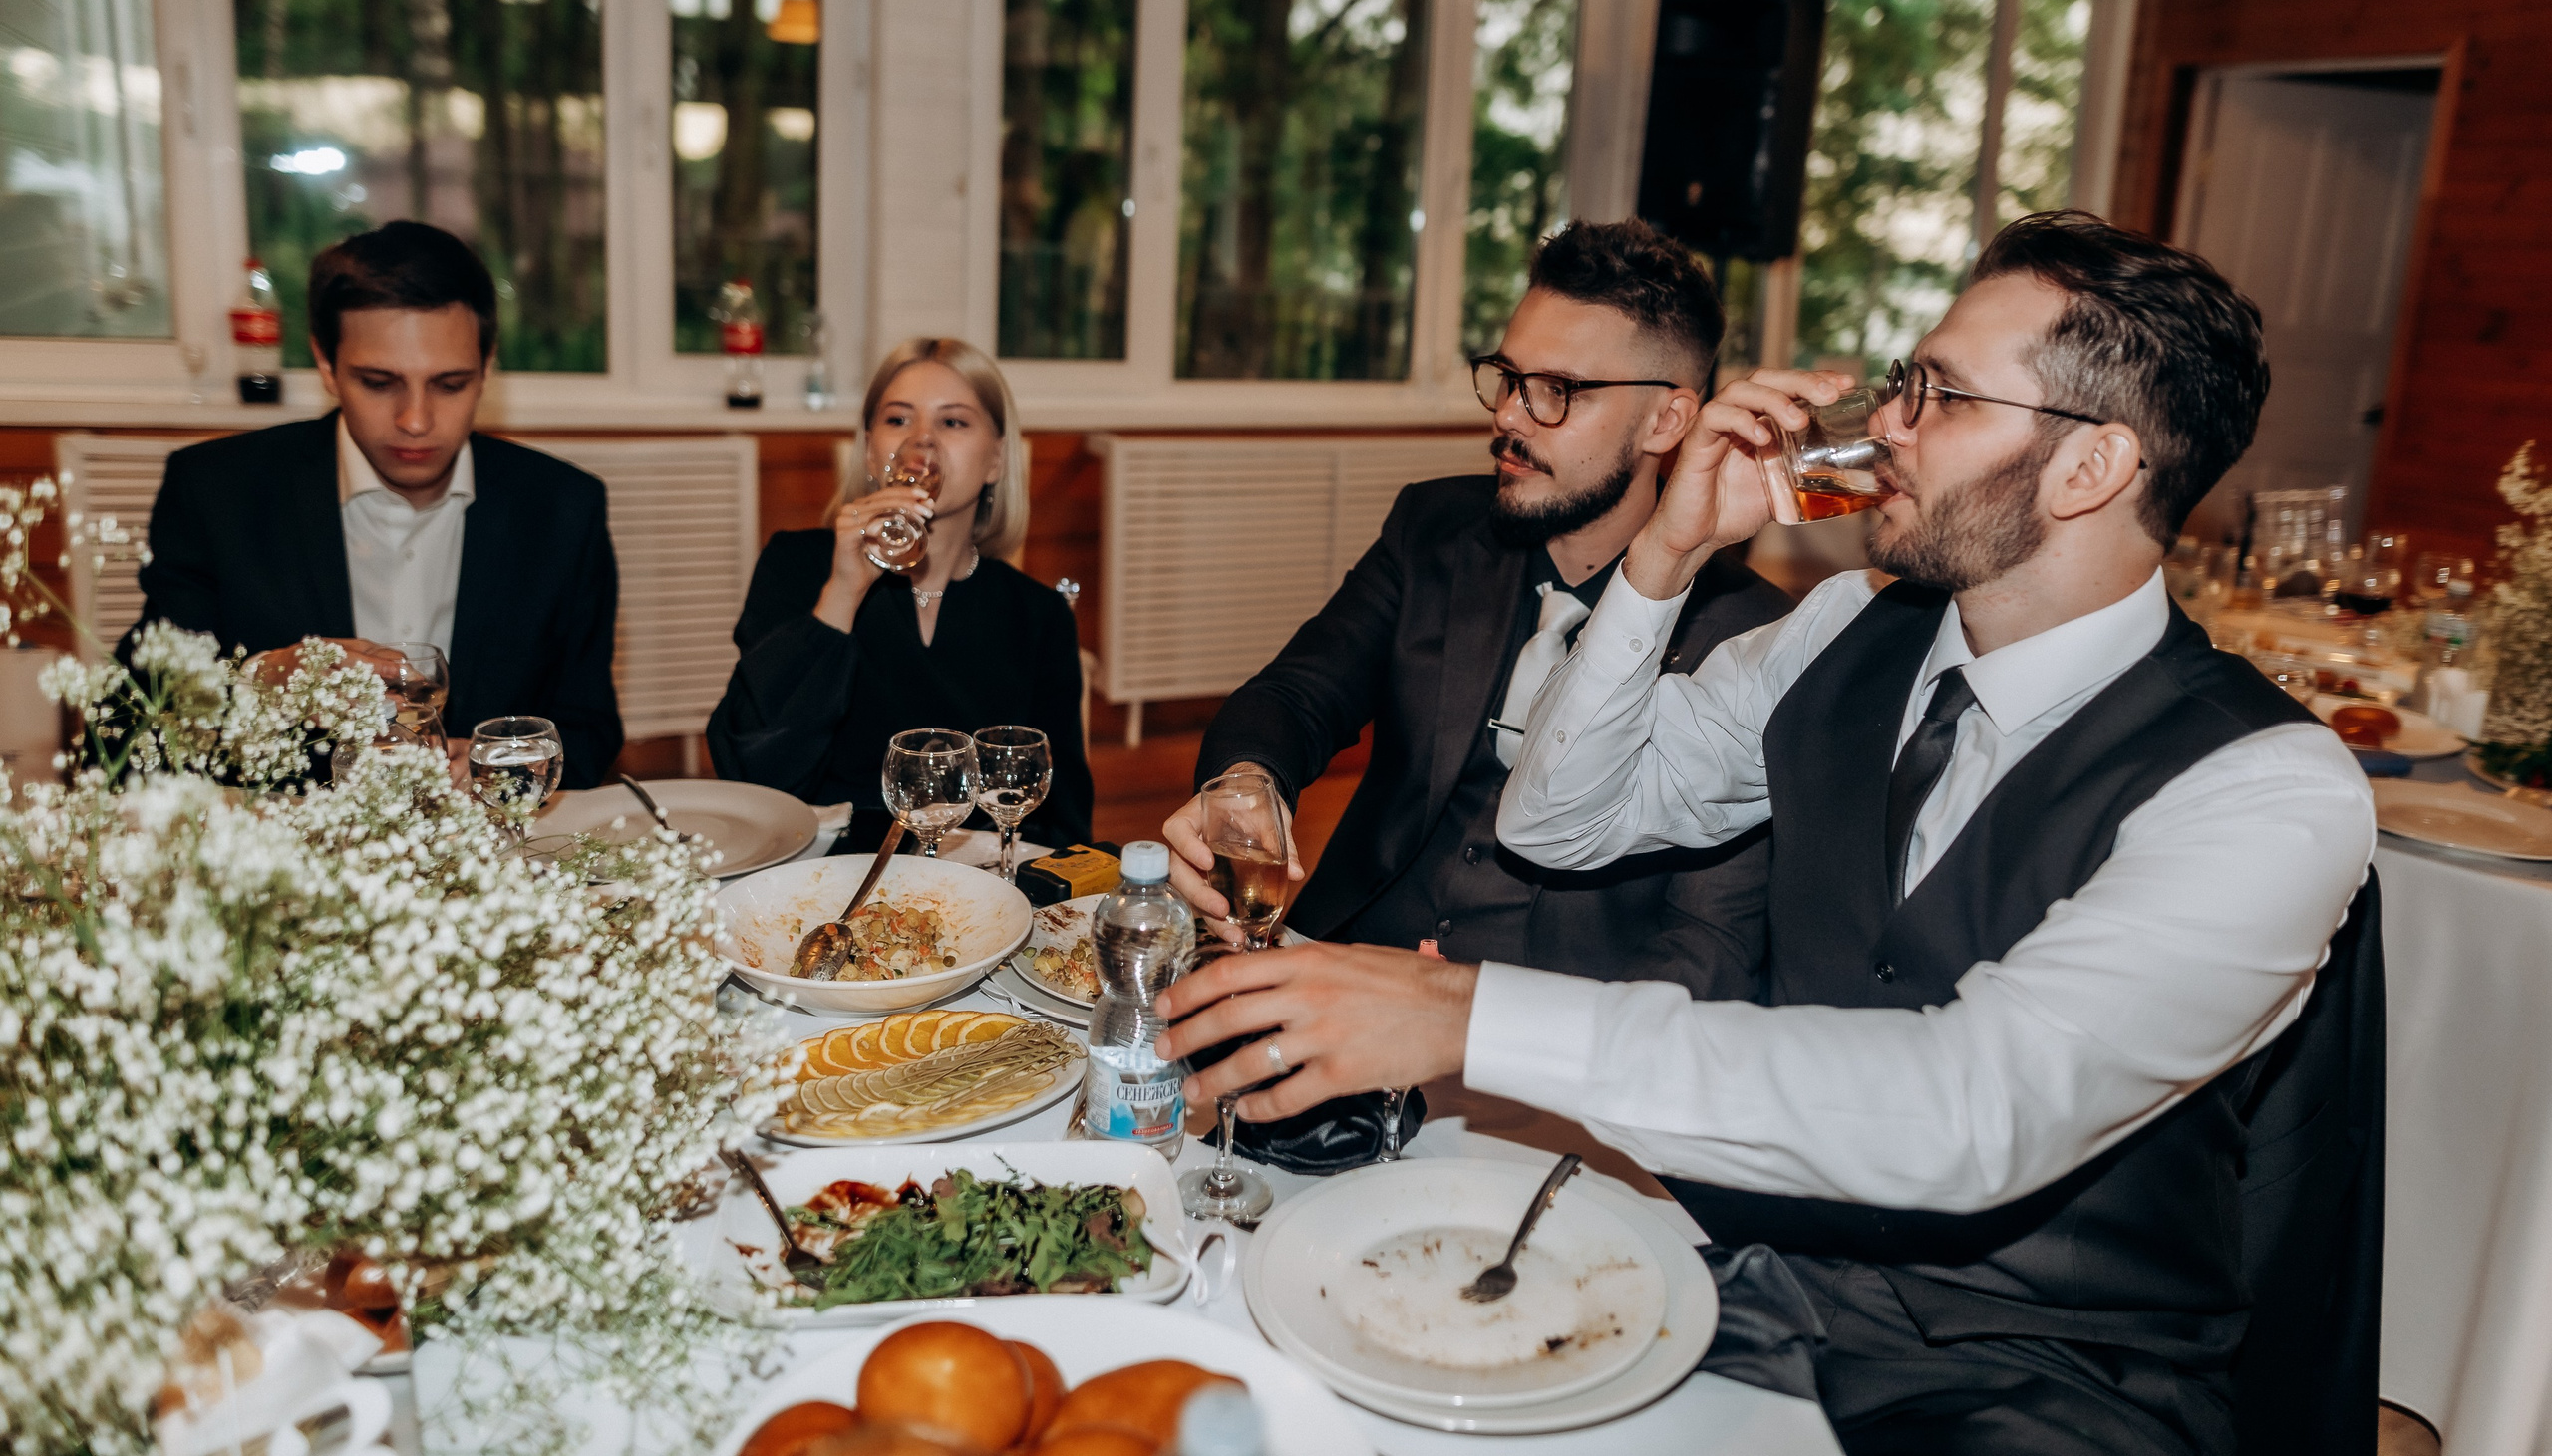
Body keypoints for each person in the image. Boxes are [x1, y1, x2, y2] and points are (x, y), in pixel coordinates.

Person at [1155, 212, 2376, 1455]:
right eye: (1907, 380)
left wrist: (1466, 1015)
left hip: (2046, 1380)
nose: (1887, 422)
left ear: (2090, 468)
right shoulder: (1850, 623)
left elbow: (1972, 1109)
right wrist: (1668, 549)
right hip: (1765, 1280)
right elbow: (1565, 817)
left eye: (1941, 395)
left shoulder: (2270, 789)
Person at [1160, 219, 1789, 988]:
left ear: (1667, 421)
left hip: (1545, 1061)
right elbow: (1297, 695)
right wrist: (1244, 789)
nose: (1509, 416)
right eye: (1507, 375)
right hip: (1346, 971)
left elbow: (1708, 941)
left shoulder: (1754, 639)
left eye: (1557, 391)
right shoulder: (1434, 531)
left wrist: (1500, 1042)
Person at [133, 221, 624, 787]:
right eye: (378, 381)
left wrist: (508, 765)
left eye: (449, 383)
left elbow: (591, 727)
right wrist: (261, 681)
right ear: (325, 364)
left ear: (487, 368)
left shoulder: (564, 507)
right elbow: (137, 719)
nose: (414, 420)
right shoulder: (214, 492)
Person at [707, 337, 1093, 851]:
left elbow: (1058, 819)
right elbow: (751, 773)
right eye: (898, 420)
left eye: (953, 421)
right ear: (871, 450)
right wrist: (842, 594)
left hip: (974, 889)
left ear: (996, 460)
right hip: (819, 873)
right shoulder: (797, 566)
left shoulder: (1036, 613)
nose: (923, 442)